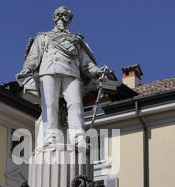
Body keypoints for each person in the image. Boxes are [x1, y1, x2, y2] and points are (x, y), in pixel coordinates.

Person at [16, 6, 107, 147]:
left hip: (71, 73)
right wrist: (27, 69)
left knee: (75, 104)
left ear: (69, 20)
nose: (61, 17)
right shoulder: (43, 37)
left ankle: (78, 137)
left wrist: (97, 71)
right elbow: (34, 57)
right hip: (49, 71)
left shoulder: (76, 40)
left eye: (65, 15)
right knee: (50, 105)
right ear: (54, 18)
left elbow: (86, 64)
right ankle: (50, 136)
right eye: (58, 15)